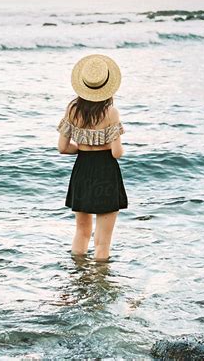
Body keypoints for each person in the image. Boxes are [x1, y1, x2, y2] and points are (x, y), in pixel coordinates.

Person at [56, 53, 128, 261]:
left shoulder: (72, 109)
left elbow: (62, 148)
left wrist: (84, 148)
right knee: (102, 242)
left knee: (81, 232)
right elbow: (117, 153)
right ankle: (100, 283)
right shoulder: (111, 112)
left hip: (82, 170)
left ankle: (79, 276)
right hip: (106, 171)